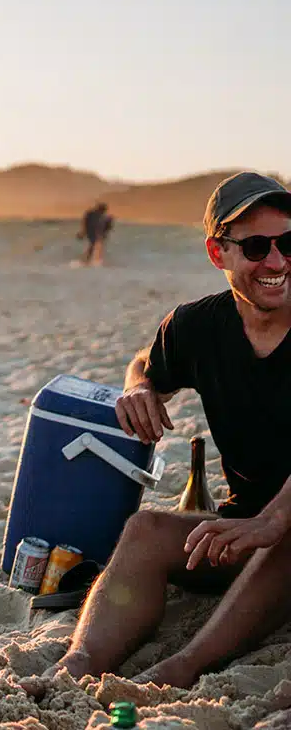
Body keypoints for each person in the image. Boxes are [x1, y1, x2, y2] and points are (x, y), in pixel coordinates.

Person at [43, 172, 291, 689]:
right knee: (146, 531)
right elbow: (146, 364)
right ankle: (79, 664)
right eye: (256, 246)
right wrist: (138, 388)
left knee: (284, 536)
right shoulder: (197, 327)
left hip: (280, 531)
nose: (277, 261)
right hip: (247, 528)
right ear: (217, 253)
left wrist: (272, 522)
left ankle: (183, 668)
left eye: (289, 243)